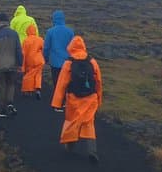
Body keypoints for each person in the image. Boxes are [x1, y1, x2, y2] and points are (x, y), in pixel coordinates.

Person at [51, 35, 102, 163]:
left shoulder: (69, 63)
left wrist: (57, 102)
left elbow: (62, 83)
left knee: (72, 121)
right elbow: (98, 82)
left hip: (73, 99)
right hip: (90, 98)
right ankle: (92, 151)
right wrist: (98, 99)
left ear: (71, 47)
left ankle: (69, 147)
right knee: (88, 124)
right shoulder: (92, 62)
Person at [0, 13, 22, 118]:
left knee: (1, 86)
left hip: (0, 66)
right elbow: (18, 50)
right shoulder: (15, 34)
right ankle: (10, 103)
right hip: (12, 65)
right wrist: (20, 63)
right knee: (11, 85)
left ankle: (2, 110)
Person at [42, 10, 75, 103]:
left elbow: (46, 47)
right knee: (67, 81)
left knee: (57, 82)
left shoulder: (50, 32)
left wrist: (45, 58)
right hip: (67, 62)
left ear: (54, 19)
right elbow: (73, 47)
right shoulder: (70, 32)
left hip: (55, 62)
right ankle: (66, 100)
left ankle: (59, 102)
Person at [21, 24, 44, 100]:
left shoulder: (26, 41)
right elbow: (43, 49)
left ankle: (28, 90)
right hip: (39, 60)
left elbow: (23, 54)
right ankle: (37, 89)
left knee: (29, 75)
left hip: (30, 61)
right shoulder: (40, 39)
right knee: (38, 74)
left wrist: (23, 67)